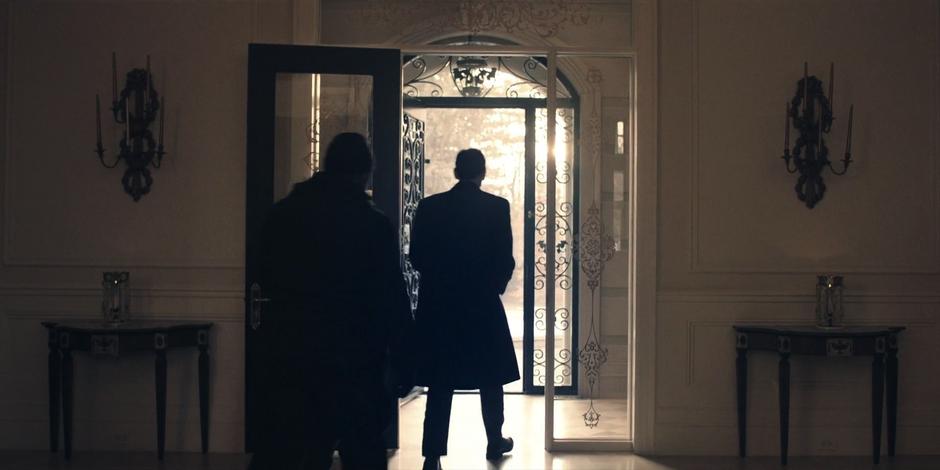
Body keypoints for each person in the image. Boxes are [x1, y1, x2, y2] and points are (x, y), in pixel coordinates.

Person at [249, 132, 413, 470]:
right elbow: (391, 298)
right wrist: (404, 358)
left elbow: (264, 276)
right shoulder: (372, 225)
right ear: (365, 173)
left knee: (296, 450)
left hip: (293, 356)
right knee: (363, 451)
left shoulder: (283, 216)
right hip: (356, 360)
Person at [409, 148, 518, 470]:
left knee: (440, 381)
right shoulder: (496, 208)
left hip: (440, 306)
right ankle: (494, 440)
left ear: (457, 172)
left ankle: (432, 455)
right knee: (490, 377)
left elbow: (416, 256)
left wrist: (437, 284)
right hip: (481, 304)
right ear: (481, 172)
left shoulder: (429, 207)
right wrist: (492, 287)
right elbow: (504, 259)